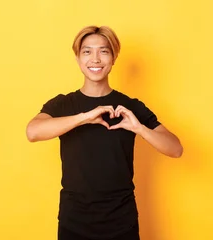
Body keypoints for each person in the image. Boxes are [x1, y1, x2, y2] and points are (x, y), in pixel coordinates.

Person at [25, 26, 183, 240]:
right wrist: (84, 117)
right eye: (87, 51)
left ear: (114, 58)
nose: (96, 59)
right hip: (74, 221)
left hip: (121, 221)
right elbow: (33, 132)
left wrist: (139, 128)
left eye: (104, 51)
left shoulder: (130, 107)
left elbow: (175, 149)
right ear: (78, 58)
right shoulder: (63, 104)